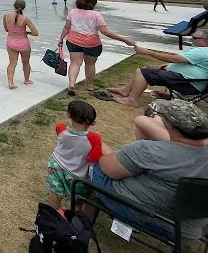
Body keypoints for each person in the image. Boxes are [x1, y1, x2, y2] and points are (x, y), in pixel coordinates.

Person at [89, 99, 208, 242]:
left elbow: (107, 169)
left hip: (147, 217)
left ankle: (80, 216)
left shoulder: (149, 150)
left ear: (171, 127)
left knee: (94, 158)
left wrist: (98, 143)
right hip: (190, 230)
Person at [58, 0, 134, 96]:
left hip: (73, 41)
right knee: (90, 64)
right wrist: (124, 40)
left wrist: (61, 39)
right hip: (91, 43)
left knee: (75, 63)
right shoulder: (95, 15)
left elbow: (67, 27)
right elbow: (105, 32)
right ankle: (89, 85)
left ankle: (72, 84)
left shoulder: (72, 12)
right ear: (93, 3)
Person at [107, 29, 208, 106]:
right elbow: (193, 63)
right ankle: (125, 90)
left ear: (206, 41)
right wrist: (170, 66)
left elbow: (174, 59)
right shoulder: (203, 51)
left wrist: (147, 52)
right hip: (190, 81)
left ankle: (132, 100)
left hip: (189, 84)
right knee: (147, 69)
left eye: (194, 38)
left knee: (143, 72)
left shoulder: (201, 51)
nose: (191, 39)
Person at [46, 101, 102, 210]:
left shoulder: (61, 129)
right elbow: (94, 158)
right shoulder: (94, 138)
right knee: (77, 202)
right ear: (93, 122)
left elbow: (60, 127)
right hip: (76, 173)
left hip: (56, 165)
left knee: (55, 195)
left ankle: (52, 216)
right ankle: (75, 223)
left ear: (69, 115)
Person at [3, 0, 38, 89]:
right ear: (24, 8)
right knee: (26, 62)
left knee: (12, 63)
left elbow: (7, 29)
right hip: (23, 44)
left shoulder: (6, 16)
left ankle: (10, 83)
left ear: (14, 6)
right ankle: (26, 80)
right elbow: (35, 33)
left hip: (11, 43)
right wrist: (27, 32)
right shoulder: (25, 19)